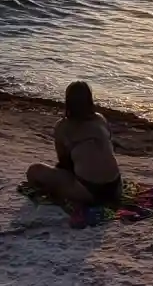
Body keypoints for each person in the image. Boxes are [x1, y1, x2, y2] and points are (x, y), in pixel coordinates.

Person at [24, 82, 123, 219]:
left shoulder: (63, 126)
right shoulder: (100, 119)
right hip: (116, 187)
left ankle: (68, 194)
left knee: (34, 171)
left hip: (90, 190)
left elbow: (64, 162)